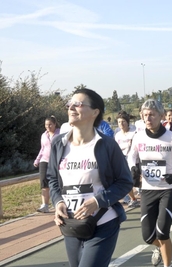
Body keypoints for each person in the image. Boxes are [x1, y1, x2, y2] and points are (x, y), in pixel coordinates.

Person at [48, 88, 133, 267]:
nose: (71, 108)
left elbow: (125, 181)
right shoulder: (58, 144)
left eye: (78, 104)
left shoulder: (107, 145)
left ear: (95, 112)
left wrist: (97, 201)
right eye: (69, 104)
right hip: (71, 223)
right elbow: (53, 179)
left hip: (103, 221)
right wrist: (58, 203)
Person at [127, 99, 172, 267]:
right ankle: (158, 248)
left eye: (152, 115)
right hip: (148, 190)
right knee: (148, 237)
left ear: (161, 116)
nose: (148, 118)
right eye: (145, 115)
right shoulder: (139, 137)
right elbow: (131, 156)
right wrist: (133, 168)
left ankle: (167, 265)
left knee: (163, 233)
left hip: (168, 190)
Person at [34, 115, 60, 213]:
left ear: (54, 124)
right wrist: (37, 160)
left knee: (57, 183)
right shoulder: (44, 135)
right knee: (44, 183)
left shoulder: (60, 133)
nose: (48, 127)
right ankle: (45, 205)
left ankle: (59, 203)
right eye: (46, 125)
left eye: (50, 125)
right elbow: (42, 148)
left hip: (57, 161)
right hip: (44, 160)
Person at [114, 111, 140, 208]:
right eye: (119, 122)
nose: (121, 124)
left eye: (123, 122)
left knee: (136, 181)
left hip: (134, 160)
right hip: (122, 160)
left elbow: (135, 147)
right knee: (126, 181)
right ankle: (133, 199)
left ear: (127, 122)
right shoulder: (117, 135)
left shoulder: (133, 133)